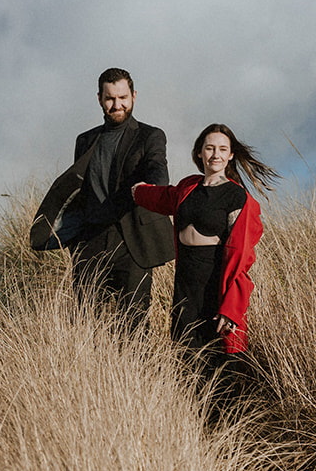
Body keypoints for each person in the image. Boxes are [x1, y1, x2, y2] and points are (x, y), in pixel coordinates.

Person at [132, 124, 277, 391]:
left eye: (223, 149)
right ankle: (188, 423)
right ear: (199, 152)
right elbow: (165, 197)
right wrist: (137, 191)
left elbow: (242, 257)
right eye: (210, 148)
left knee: (217, 365)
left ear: (231, 155)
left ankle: (220, 425)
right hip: (184, 287)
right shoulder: (189, 187)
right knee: (184, 360)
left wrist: (231, 309)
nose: (216, 155)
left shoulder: (238, 197)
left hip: (215, 288)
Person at [29, 68, 175, 327]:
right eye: (110, 98)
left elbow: (157, 167)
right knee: (84, 321)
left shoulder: (150, 135)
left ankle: (132, 369)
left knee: (134, 323)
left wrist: (151, 185)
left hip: (132, 242)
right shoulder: (85, 140)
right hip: (90, 241)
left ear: (134, 96)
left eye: (122, 97)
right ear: (99, 98)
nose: (116, 104)